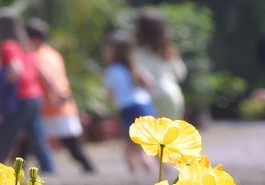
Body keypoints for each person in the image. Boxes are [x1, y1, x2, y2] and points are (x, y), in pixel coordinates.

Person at [0, 8, 55, 173]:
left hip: (20, 97)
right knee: (37, 138)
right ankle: (50, 169)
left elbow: (15, 70)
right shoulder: (26, 46)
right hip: (35, 96)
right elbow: (38, 69)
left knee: (4, 137)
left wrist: (2, 83)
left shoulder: (7, 46)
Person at [25, 18, 95, 173]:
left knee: (65, 145)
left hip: (53, 107)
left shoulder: (36, 56)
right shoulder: (52, 53)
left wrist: (56, 94)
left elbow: (47, 76)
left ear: (33, 39)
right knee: (67, 145)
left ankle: (52, 170)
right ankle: (86, 168)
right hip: (63, 105)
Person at [103, 31, 155, 172]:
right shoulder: (134, 68)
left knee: (133, 146)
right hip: (146, 106)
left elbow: (109, 94)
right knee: (142, 144)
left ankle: (138, 175)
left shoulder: (112, 70)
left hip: (130, 109)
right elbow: (150, 83)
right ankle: (146, 173)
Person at [135, 8, 186, 119]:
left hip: (157, 98)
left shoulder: (139, 51)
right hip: (175, 95)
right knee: (172, 135)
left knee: (155, 135)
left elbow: (146, 79)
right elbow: (181, 73)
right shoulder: (168, 49)